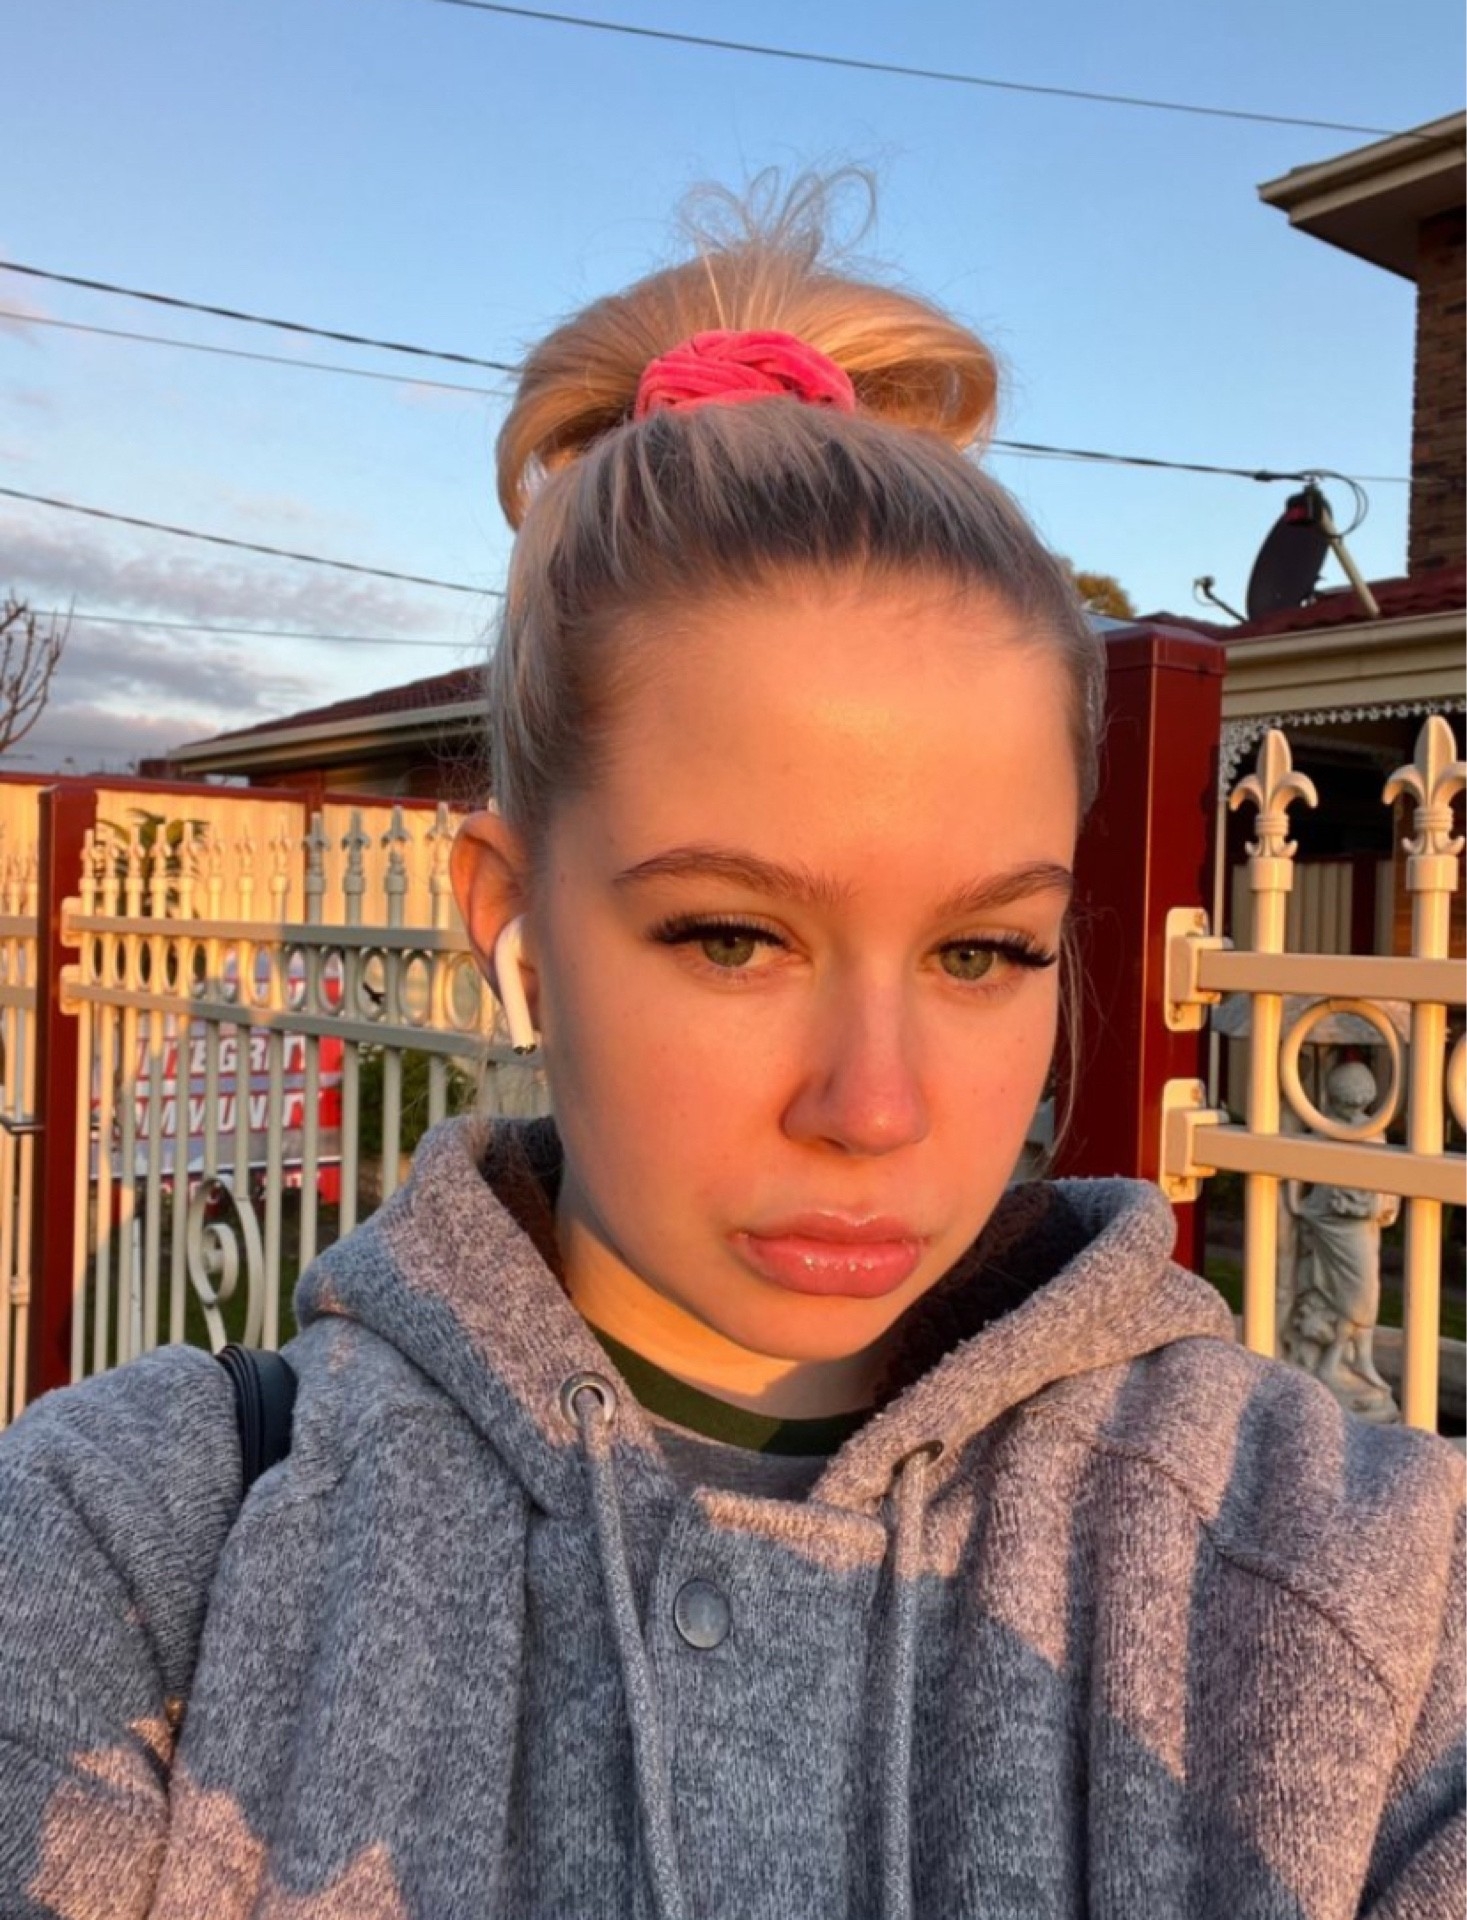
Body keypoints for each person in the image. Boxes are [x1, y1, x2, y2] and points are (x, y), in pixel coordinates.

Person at [0, 178, 1460, 1920]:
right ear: (513, 922)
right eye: (732, 937)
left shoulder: (1347, 1583)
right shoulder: (136, 1552)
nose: (876, 1106)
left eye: (983, 951)